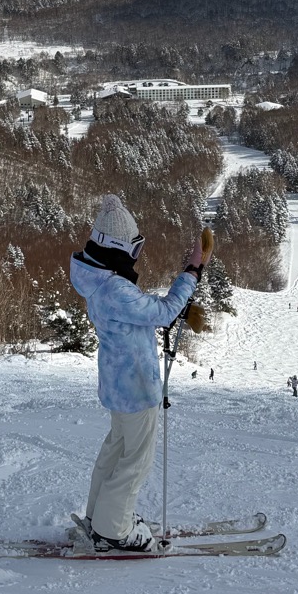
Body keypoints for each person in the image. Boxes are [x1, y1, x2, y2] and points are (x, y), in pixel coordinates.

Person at [70, 195, 204, 553]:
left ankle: (98, 518)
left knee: (116, 452)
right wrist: (191, 272)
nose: (136, 256)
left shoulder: (97, 281)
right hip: (136, 388)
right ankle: (114, 529)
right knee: (135, 462)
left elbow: (142, 314)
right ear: (118, 249)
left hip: (118, 386)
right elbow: (161, 312)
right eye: (134, 247)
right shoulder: (115, 289)